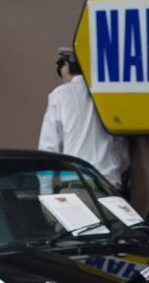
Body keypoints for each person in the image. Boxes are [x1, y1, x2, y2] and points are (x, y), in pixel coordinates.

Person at [39, 48, 129, 190]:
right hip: (110, 188)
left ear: (67, 67)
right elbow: (124, 155)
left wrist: (45, 191)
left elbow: (48, 148)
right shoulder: (112, 97)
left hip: (77, 186)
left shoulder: (60, 94)